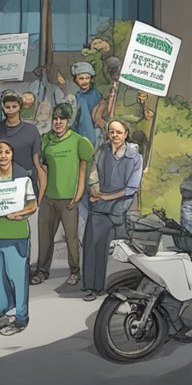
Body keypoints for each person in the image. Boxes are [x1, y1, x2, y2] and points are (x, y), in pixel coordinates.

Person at [32, 104, 93, 287]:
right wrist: (40, 194)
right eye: (55, 119)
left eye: (62, 119)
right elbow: (40, 167)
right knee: (45, 237)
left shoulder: (78, 141)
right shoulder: (46, 140)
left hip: (68, 199)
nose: (58, 122)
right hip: (48, 199)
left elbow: (84, 168)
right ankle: (42, 271)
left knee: (71, 238)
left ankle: (75, 271)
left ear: (68, 121)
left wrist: (79, 192)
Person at [81, 119, 143, 301]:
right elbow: (93, 173)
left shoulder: (135, 157)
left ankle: (121, 288)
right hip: (99, 206)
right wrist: (94, 189)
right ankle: (93, 287)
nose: (115, 135)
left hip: (120, 207)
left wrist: (106, 196)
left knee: (122, 251)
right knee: (93, 246)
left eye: (118, 132)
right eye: (111, 132)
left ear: (125, 134)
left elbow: (132, 187)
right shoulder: (102, 151)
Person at [0, 141, 38, 336]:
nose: (3, 156)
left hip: (16, 236)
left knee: (17, 279)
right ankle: (7, 313)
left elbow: (32, 205)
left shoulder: (23, 179)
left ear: (12, 155)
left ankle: (21, 319)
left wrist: (18, 214)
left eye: (7, 152)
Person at [0, 91, 42, 192]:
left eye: (14, 106)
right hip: (2, 183)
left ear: (20, 107)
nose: (11, 110)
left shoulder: (31, 130)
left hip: (26, 182)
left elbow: (37, 163)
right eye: (7, 107)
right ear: (3, 108)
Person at [62, 62, 103, 148]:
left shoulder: (96, 94)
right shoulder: (74, 96)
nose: (84, 81)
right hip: (78, 133)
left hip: (96, 132)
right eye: (81, 78)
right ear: (75, 79)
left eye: (87, 78)